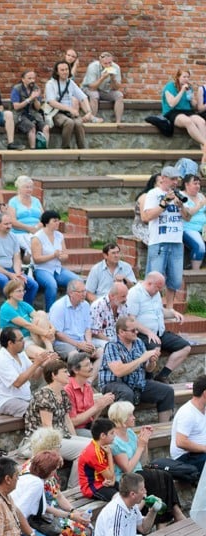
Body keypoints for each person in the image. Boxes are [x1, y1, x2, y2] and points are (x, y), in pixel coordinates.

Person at [108, 400, 185, 522]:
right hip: (125, 478)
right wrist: (140, 446)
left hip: (138, 472)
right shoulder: (115, 441)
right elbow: (127, 469)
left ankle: (174, 513)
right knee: (156, 478)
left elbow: (144, 461)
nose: (134, 417)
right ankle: (169, 518)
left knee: (165, 476)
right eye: (130, 415)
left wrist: (145, 442)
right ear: (122, 419)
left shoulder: (130, 433)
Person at [97, 316, 174, 424]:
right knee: (126, 393)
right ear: (121, 332)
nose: (137, 332)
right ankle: (125, 432)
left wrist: (151, 361)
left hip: (137, 383)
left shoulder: (138, 342)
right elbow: (118, 371)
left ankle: (164, 428)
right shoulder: (112, 346)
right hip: (114, 383)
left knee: (167, 391)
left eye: (137, 329)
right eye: (133, 330)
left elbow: (148, 369)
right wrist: (142, 358)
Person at [24, 358, 91, 475]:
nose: (68, 374)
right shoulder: (44, 394)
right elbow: (47, 426)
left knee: (93, 445)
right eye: (64, 372)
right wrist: (56, 451)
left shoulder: (63, 393)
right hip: (42, 442)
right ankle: (74, 488)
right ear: (53, 375)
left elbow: (67, 420)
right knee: (85, 450)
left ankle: (80, 486)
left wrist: (75, 439)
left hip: (62, 437)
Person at [126, 271, 190, 382]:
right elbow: (131, 320)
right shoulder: (135, 293)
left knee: (185, 347)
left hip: (159, 332)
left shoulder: (155, 294)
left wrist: (173, 313)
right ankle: (148, 379)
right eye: (158, 288)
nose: (159, 291)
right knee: (155, 348)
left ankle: (162, 376)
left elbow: (160, 312)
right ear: (150, 283)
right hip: (141, 334)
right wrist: (148, 332)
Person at [140, 167, 185, 315]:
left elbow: (188, 217)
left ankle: (170, 307)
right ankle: (152, 307)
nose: (176, 182)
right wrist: (164, 203)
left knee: (175, 277)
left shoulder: (180, 194)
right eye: (173, 179)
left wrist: (181, 206)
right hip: (159, 241)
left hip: (177, 240)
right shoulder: (153, 194)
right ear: (163, 178)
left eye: (177, 179)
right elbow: (146, 217)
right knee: (155, 275)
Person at [0, 326, 57, 417]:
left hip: (24, 398)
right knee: (39, 412)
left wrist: (43, 364)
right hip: (5, 400)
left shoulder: (21, 354)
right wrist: (36, 364)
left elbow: (35, 376)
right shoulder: (0, 359)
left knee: (52, 405)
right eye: (21, 340)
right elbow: (17, 383)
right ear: (10, 343)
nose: (24, 342)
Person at [0, 213, 39, 304]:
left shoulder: (13, 237)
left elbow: (16, 258)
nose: (9, 226)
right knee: (5, 281)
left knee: (32, 285)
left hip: (9, 270)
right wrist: (9, 274)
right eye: (6, 224)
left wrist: (17, 273)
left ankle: (24, 309)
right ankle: (11, 309)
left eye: (10, 223)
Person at [45, 60, 91, 149]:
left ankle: (82, 149)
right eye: (62, 70)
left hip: (69, 113)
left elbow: (83, 97)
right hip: (56, 113)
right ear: (57, 72)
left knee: (78, 123)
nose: (65, 72)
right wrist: (69, 109)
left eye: (66, 69)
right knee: (69, 122)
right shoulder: (50, 84)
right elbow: (51, 102)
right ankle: (65, 148)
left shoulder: (70, 83)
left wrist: (89, 112)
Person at [65, 352, 115, 433]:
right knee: (103, 439)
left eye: (91, 363)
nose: (91, 367)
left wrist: (102, 405)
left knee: (114, 434)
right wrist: (96, 407)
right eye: (87, 365)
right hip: (74, 430)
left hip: (89, 426)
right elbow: (72, 421)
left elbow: (91, 418)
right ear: (75, 370)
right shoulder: (67, 389)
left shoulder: (87, 386)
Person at [48, 280, 95, 361]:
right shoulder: (59, 307)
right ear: (70, 293)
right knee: (76, 357)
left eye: (85, 291)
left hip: (82, 341)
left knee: (100, 352)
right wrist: (77, 344)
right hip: (64, 343)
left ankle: (93, 374)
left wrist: (89, 343)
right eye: (80, 292)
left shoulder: (85, 305)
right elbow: (57, 333)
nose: (84, 294)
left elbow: (87, 328)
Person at [162, 69, 206, 153]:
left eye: (188, 77)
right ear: (178, 77)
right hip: (173, 112)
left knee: (201, 122)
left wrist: (192, 100)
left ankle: (204, 151)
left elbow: (194, 106)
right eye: (184, 77)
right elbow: (172, 104)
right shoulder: (170, 86)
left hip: (187, 111)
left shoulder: (189, 88)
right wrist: (182, 91)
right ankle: (205, 143)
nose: (186, 79)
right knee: (188, 122)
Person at [169, 375, 206, 475]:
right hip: (185, 457)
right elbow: (181, 442)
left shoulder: (204, 409)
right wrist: (204, 448)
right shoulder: (187, 412)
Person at [11, 70, 49, 150]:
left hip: (34, 114)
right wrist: (30, 98)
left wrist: (35, 99)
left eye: (33, 78)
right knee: (32, 127)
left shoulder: (36, 88)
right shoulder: (16, 89)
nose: (32, 81)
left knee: (46, 127)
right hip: (20, 115)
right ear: (23, 79)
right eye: (29, 78)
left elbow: (38, 108)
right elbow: (16, 107)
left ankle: (45, 150)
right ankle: (33, 150)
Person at [82, 52, 124, 123]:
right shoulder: (93, 67)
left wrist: (113, 79)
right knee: (94, 95)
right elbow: (92, 88)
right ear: (100, 62)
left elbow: (116, 88)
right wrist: (102, 78)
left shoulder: (116, 67)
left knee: (119, 95)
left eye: (110, 63)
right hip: (89, 89)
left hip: (104, 90)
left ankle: (118, 122)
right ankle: (92, 120)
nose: (108, 65)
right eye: (105, 63)